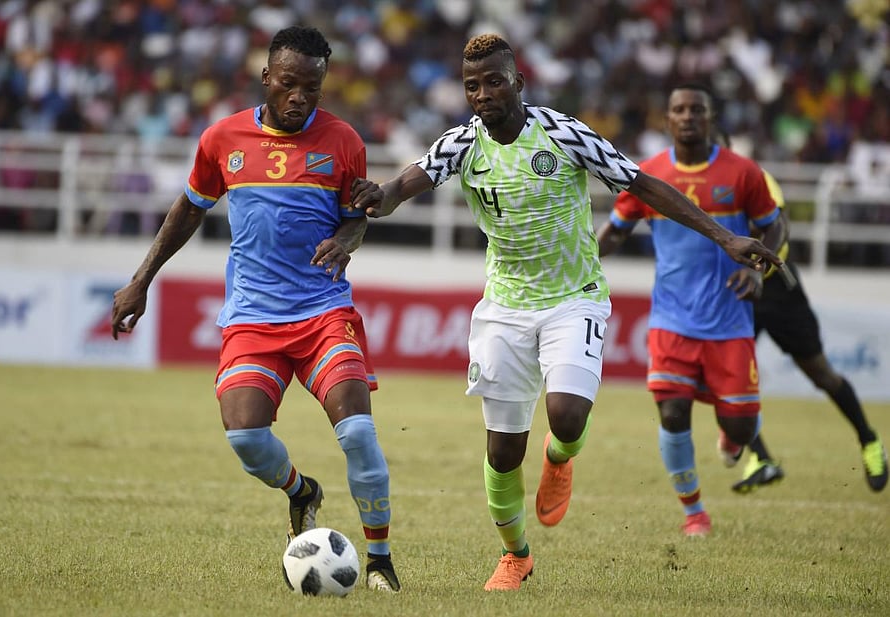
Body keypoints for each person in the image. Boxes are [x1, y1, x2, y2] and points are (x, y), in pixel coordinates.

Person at [350, 35, 781, 591]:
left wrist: (725, 236)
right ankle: (516, 555)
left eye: (494, 81)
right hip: (504, 309)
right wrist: (376, 197)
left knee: (568, 416)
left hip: (573, 297)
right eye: (471, 85)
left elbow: (645, 185)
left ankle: (560, 458)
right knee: (503, 451)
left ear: (518, 82)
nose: (482, 94)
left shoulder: (563, 134)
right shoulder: (460, 144)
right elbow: (404, 185)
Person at [110, 26, 400, 593]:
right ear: (267, 77)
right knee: (245, 438)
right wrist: (141, 280)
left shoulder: (343, 141)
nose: (299, 97)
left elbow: (358, 213)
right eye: (289, 84)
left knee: (359, 432)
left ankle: (380, 560)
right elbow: (188, 211)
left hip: (322, 311)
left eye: (311, 89)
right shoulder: (223, 139)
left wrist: (349, 237)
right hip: (252, 317)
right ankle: (301, 492)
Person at [596, 83, 786, 538]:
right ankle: (694, 513)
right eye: (678, 109)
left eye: (696, 109)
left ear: (710, 117)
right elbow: (617, 230)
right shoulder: (648, 175)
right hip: (671, 318)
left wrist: (760, 273)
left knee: (740, 427)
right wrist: (580, 260)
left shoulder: (743, 173)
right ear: (667, 119)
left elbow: (774, 225)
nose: (687, 116)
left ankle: (732, 435)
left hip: (729, 320)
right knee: (673, 413)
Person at [721, 147, 888, 494]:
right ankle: (762, 459)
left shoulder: (757, 177)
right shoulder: (699, 181)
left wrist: (757, 267)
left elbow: (777, 228)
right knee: (724, 376)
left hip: (777, 289)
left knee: (820, 372)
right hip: (733, 291)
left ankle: (869, 440)